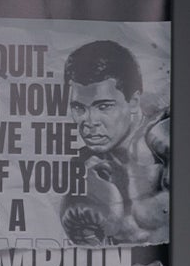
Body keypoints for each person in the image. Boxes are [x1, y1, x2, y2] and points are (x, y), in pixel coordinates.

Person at [58, 38, 171, 251]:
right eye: (79, 108)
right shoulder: (86, 169)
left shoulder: (163, 138)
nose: (89, 122)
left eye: (104, 106)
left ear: (134, 102)